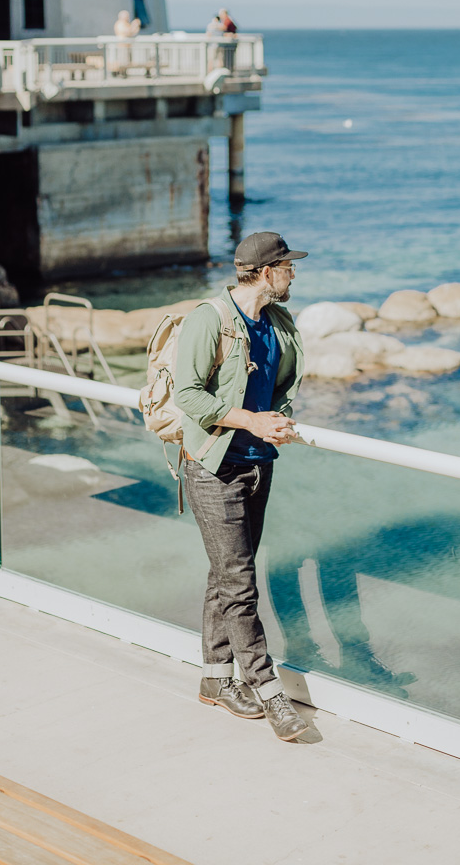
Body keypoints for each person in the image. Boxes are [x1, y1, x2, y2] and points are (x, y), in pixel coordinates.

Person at [173, 231, 309, 741]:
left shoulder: (277, 322)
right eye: (288, 267)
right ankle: (268, 689)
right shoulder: (209, 320)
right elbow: (188, 393)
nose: (293, 274)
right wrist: (252, 422)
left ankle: (215, 681)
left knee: (227, 575)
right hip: (214, 466)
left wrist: (277, 421)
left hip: (259, 463)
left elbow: (283, 387)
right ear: (266, 272)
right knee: (240, 584)